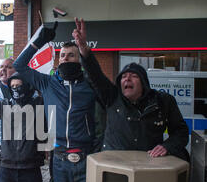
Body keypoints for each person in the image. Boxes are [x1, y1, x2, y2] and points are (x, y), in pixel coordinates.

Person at [13, 22, 98, 182]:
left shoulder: (89, 85)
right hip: (59, 159)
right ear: (58, 59)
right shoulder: (49, 83)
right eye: (63, 55)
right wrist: (38, 40)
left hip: (85, 158)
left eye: (71, 55)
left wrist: (84, 49)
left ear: (79, 59)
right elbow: (18, 66)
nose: (67, 58)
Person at [74, 18, 189, 161]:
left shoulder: (163, 102)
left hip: (148, 167)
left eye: (133, 76)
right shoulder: (112, 96)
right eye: (123, 77)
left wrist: (168, 146)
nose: (127, 79)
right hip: (114, 165)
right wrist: (83, 48)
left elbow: (181, 132)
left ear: (144, 83)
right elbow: (95, 75)